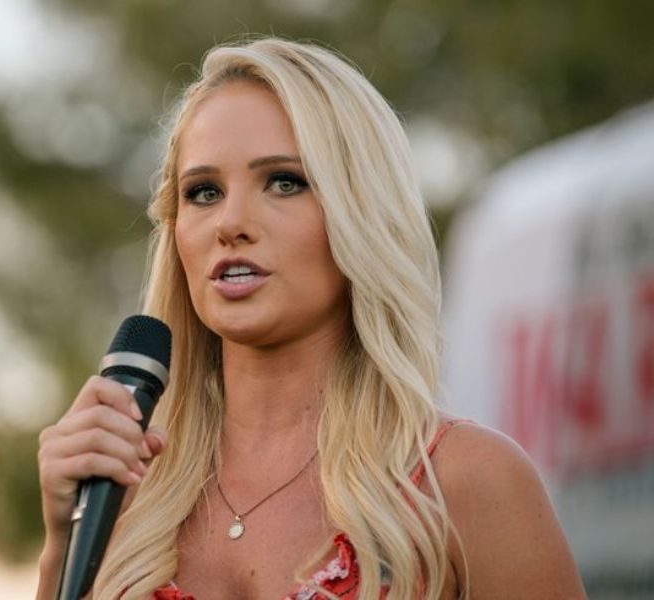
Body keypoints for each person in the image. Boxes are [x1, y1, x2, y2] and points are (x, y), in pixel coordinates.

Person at [36, 37, 586, 599]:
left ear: (360, 211)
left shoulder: (464, 482)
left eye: (284, 182)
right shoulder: (123, 496)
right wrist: (62, 547)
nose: (231, 222)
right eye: (204, 192)